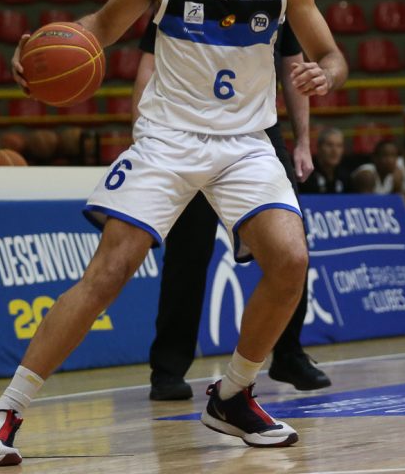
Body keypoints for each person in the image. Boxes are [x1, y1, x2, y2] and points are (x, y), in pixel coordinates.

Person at [0, 0, 347, 464]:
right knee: (110, 272)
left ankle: (233, 395)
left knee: (290, 260)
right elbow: (101, 27)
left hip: (246, 143)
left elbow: (331, 54)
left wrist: (325, 75)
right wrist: (42, 48)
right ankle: (4, 412)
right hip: (169, 139)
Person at [135, 20, 331, 400]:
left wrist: (303, 141)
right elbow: (148, 66)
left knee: (291, 248)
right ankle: (168, 369)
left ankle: (289, 354)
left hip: (257, 133)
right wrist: (143, 140)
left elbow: (294, 69)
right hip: (188, 132)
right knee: (188, 251)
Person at [300, 127, 350, 194]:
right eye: (329, 145)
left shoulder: (345, 177)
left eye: (339, 146)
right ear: (319, 147)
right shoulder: (306, 175)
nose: (335, 151)